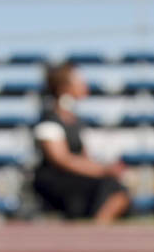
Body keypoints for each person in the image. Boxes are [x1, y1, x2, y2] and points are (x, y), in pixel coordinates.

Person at [32, 62, 130, 223]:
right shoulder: (50, 120)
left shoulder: (76, 122)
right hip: (56, 181)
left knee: (116, 190)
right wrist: (103, 170)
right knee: (111, 189)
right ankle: (96, 230)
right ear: (64, 87)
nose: (84, 85)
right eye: (79, 81)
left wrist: (105, 169)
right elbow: (61, 159)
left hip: (78, 179)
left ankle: (97, 228)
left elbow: (84, 157)